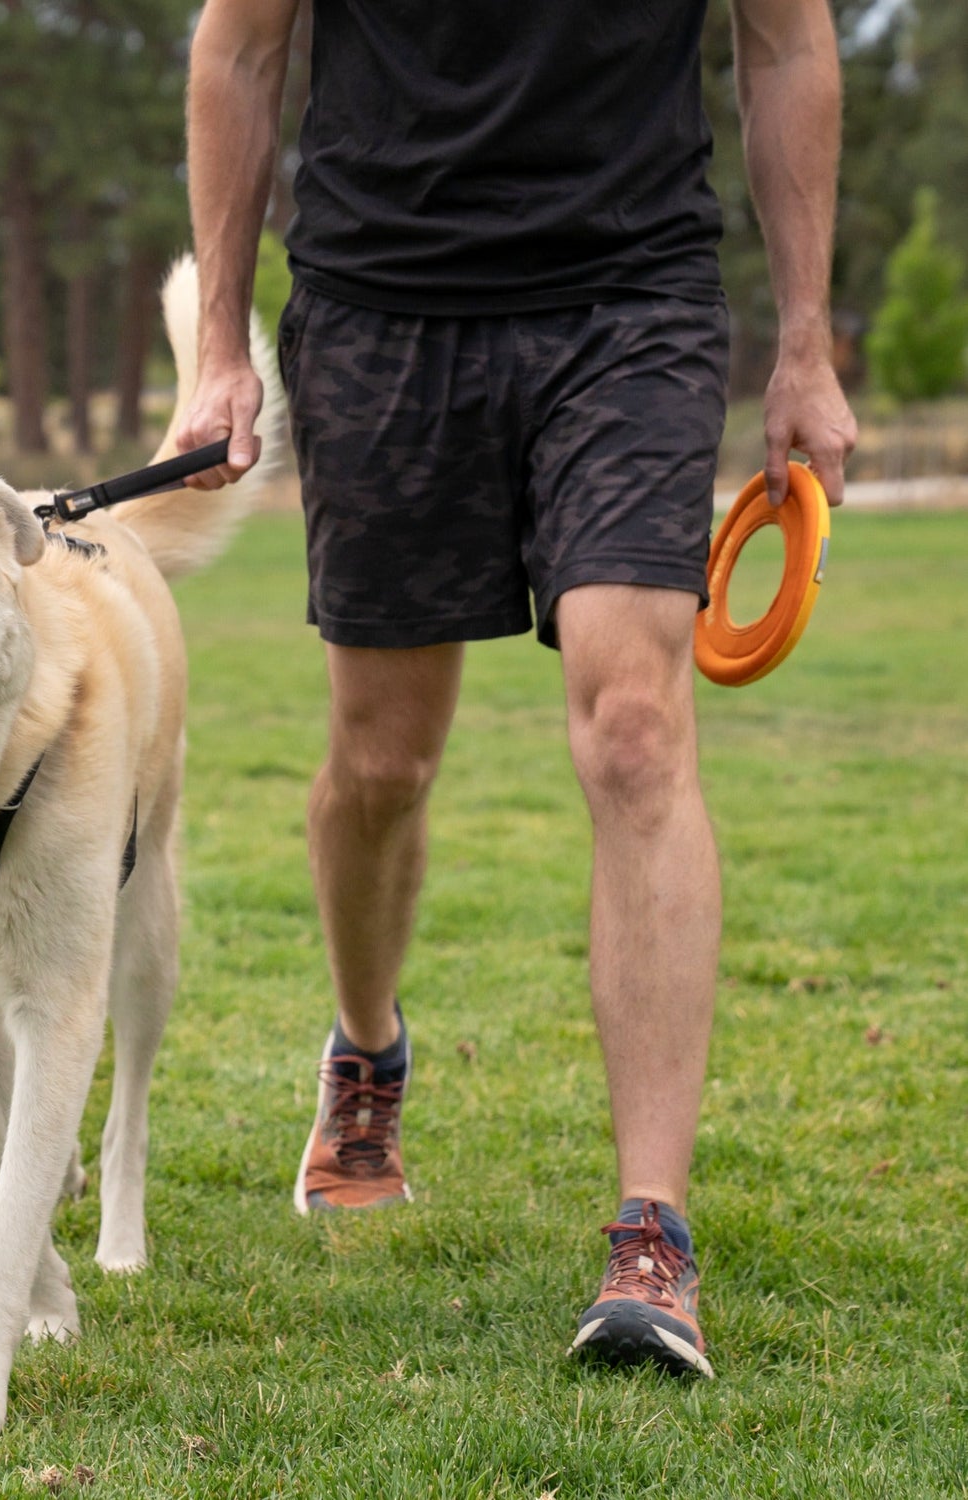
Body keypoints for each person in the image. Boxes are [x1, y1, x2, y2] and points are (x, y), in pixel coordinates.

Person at [177, 0, 857, 1376]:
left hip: (631, 298)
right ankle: (367, 1050)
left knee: (636, 727)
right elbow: (237, 48)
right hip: (381, 303)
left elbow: (788, 42)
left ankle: (652, 1233)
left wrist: (806, 341)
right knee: (383, 761)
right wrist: (217, 350)